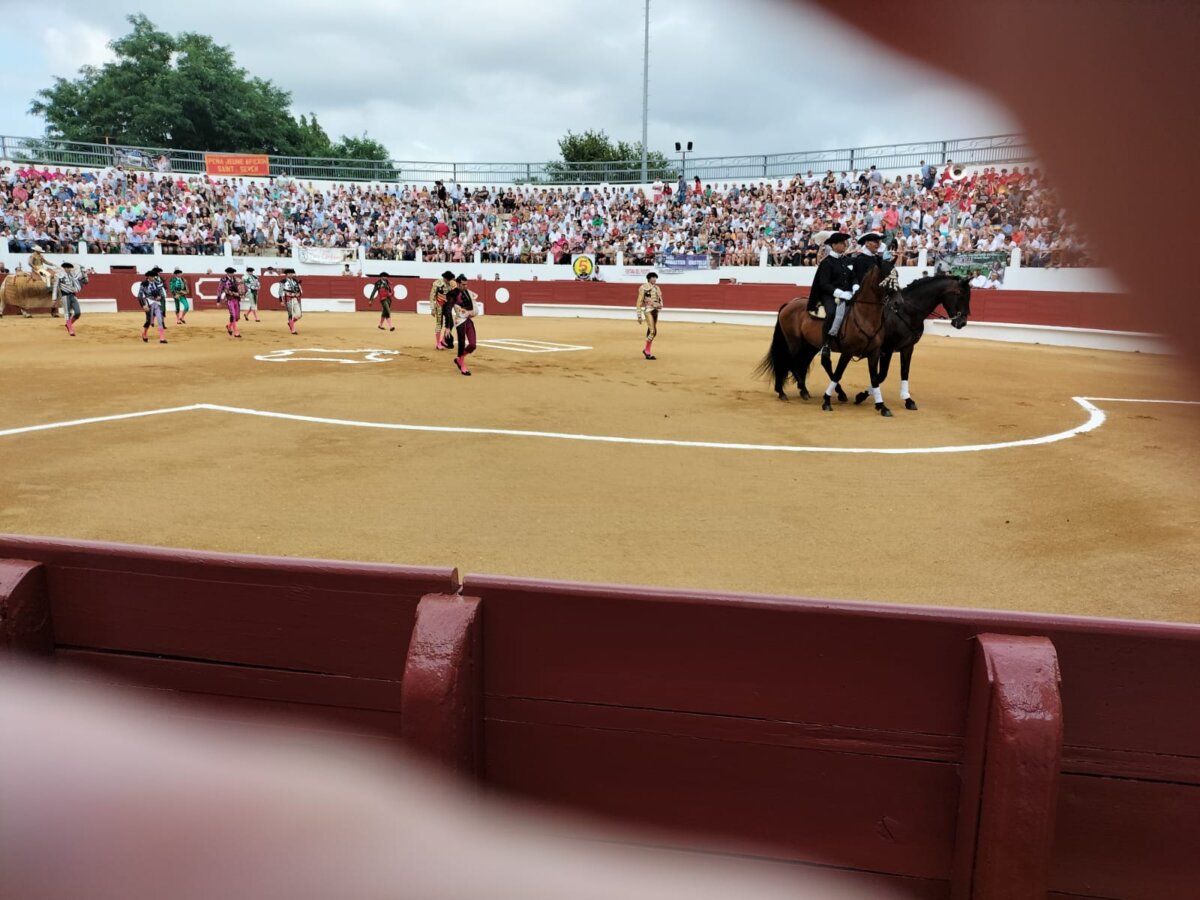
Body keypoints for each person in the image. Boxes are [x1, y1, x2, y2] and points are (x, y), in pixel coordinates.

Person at [807, 232, 855, 361]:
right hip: (829, 295)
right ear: (833, 245)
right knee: (832, 312)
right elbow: (824, 284)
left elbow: (852, 278)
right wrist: (839, 293)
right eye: (842, 243)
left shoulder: (847, 260)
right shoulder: (827, 262)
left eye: (845, 243)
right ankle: (826, 344)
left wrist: (853, 289)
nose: (845, 245)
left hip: (848, 294)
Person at [449, 273, 478, 375]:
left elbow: (473, 308)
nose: (466, 286)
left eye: (466, 284)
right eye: (463, 284)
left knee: (473, 345)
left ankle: (459, 359)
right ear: (458, 284)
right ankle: (462, 365)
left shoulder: (467, 292)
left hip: (468, 320)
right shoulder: (453, 294)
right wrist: (448, 327)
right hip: (460, 321)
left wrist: (470, 312)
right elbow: (448, 309)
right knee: (461, 343)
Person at [51, 261, 88, 337]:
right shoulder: (58, 275)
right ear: (64, 268)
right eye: (67, 268)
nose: (68, 269)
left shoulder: (73, 276)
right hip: (65, 296)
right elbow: (55, 287)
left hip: (73, 296)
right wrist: (54, 298)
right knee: (67, 313)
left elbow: (79, 281)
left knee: (77, 313)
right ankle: (70, 329)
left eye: (69, 268)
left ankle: (68, 324)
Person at [635, 271, 663, 360]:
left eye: (655, 278)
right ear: (649, 278)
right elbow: (639, 301)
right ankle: (646, 350)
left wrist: (659, 305)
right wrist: (639, 315)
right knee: (652, 331)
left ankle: (647, 352)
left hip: (655, 311)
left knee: (652, 332)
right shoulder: (643, 287)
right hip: (648, 311)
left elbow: (660, 300)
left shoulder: (657, 288)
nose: (655, 279)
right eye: (653, 277)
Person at [137, 267, 168, 344]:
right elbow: (139, 295)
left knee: (160, 320)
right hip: (148, 303)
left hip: (157, 303)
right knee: (149, 321)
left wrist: (160, 297)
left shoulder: (157, 283)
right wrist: (143, 305)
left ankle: (162, 338)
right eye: (152, 276)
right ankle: (144, 334)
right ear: (148, 276)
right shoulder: (143, 284)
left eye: (154, 276)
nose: (153, 278)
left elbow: (161, 293)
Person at [430, 270, 456, 350]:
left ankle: (443, 340)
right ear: (445, 278)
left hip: (447, 306)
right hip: (439, 306)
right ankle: (438, 344)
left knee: (450, 323)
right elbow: (432, 296)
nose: (450, 280)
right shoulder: (437, 283)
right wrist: (433, 308)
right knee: (439, 324)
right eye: (449, 279)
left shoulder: (451, 284)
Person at [217, 266, 243, 338]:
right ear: (227, 273)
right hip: (229, 299)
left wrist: (242, 294)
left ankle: (229, 326)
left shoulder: (236, 279)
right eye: (231, 273)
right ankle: (236, 332)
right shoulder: (223, 280)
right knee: (233, 315)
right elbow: (219, 290)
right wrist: (218, 301)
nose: (232, 274)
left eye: (233, 273)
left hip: (237, 299)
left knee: (237, 317)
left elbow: (241, 288)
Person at [280, 268, 303, 335]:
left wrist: (299, 293)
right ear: (286, 274)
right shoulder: (283, 281)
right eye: (289, 273)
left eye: (291, 273)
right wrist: (281, 301)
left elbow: (299, 289)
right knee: (290, 314)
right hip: (288, 299)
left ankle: (290, 323)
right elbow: (280, 292)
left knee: (299, 315)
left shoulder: (295, 281)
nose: (290, 274)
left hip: (295, 298)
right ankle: (293, 330)